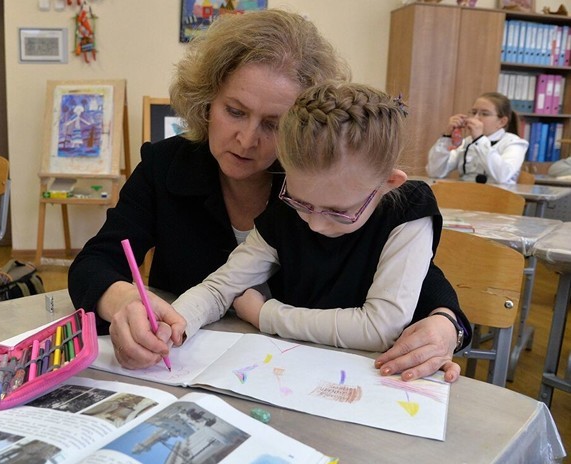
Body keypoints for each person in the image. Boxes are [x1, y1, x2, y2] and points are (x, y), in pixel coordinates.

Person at [68, 9, 470, 382]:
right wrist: (126, 304)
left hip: (309, 378)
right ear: (209, 99)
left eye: (274, 125)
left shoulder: (320, 177)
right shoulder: (167, 167)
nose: (245, 139)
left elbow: (402, 267)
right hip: (207, 374)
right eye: (236, 111)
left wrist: (445, 318)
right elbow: (96, 262)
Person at [172, 81, 442, 353]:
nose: (315, 223)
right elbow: (220, 289)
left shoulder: (409, 209)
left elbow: (380, 328)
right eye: (301, 203)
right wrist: (175, 323)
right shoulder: (285, 209)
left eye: (339, 211)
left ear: (388, 183)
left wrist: (266, 315)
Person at [426, 92, 528, 184]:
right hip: (466, 197)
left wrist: (479, 139)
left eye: (484, 114)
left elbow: (502, 175)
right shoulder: (468, 142)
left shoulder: (514, 143)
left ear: (502, 122)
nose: (475, 118)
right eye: (474, 112)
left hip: (499, 199)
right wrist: (447, 137)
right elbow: (435, 172)